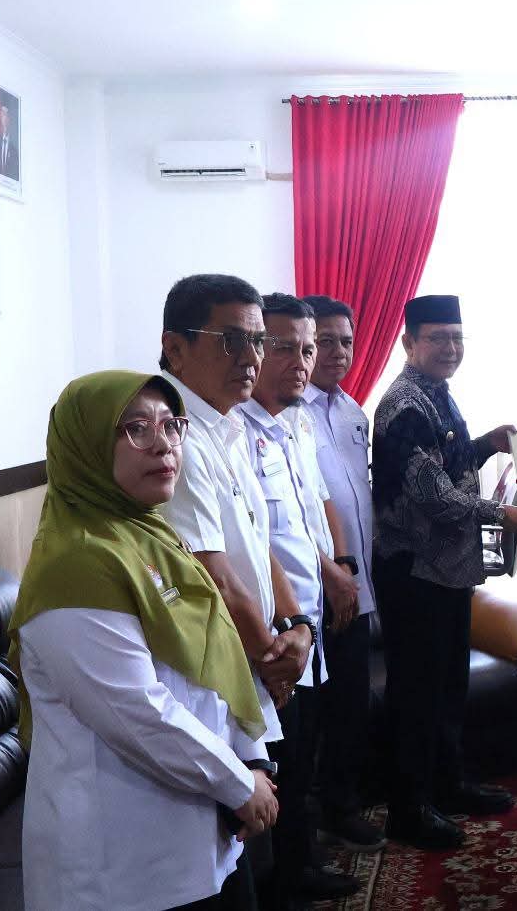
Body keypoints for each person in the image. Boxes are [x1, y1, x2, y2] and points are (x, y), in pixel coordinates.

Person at [8, 370, 277, 911]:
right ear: (85, 446)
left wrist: (254, 760)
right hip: (125, 868)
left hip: (199, 831)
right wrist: (238, 785)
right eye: (134, 428)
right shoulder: (75, 561)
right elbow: (137, 712)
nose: (163, 443)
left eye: (171, 425)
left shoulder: (151, 534)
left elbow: (214, 659)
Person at [372, 294, 517, 850]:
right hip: (415, 574)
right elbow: (433, 496)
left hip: (446, 572)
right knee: (418, 694)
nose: (449, 348)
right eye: (437, 338)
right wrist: (503, 514)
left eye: (456, 337)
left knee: (449, 687)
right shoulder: (403, 405)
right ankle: (409, 809)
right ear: (409, 343)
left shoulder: (437, 393)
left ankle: (446, 786)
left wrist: (486, 446)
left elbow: (444, 462)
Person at [157, 274, 315, 764]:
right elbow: (213, 574)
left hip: (254, 658)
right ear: (175, 349)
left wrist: (298, 623)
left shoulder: (226, 424)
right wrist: (274, 661)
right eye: (231, 340)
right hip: (211, 677)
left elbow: (256, 541)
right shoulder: (171, 438)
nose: (251, 358)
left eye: (258, 341)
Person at [239, 294, 359, 906]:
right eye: (283, 347)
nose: (302, 361)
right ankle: (284, 880)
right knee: (281, 756)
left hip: (310, 619)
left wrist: (340, 567)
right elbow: (256, 539)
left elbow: (317, 507)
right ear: (256, 350)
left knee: (305, 750)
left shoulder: (298, 423)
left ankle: (301, 866)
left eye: (307, 349)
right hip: (271, 630)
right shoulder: (235, 431)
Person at [298, 295, 382, 852]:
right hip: (316, 587)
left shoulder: (353, 411)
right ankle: (315, 818)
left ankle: (342, 804)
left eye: (345, 342)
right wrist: (333, 569)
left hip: (360, 584)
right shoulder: (288, 413)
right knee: (316, 714)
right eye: (323, 342)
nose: (336, 352)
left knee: (353, 702)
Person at [0, 98, 20, 180]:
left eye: (6, 114)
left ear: (9, 118)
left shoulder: (14, 149)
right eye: (2, 114)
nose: (4, 117)